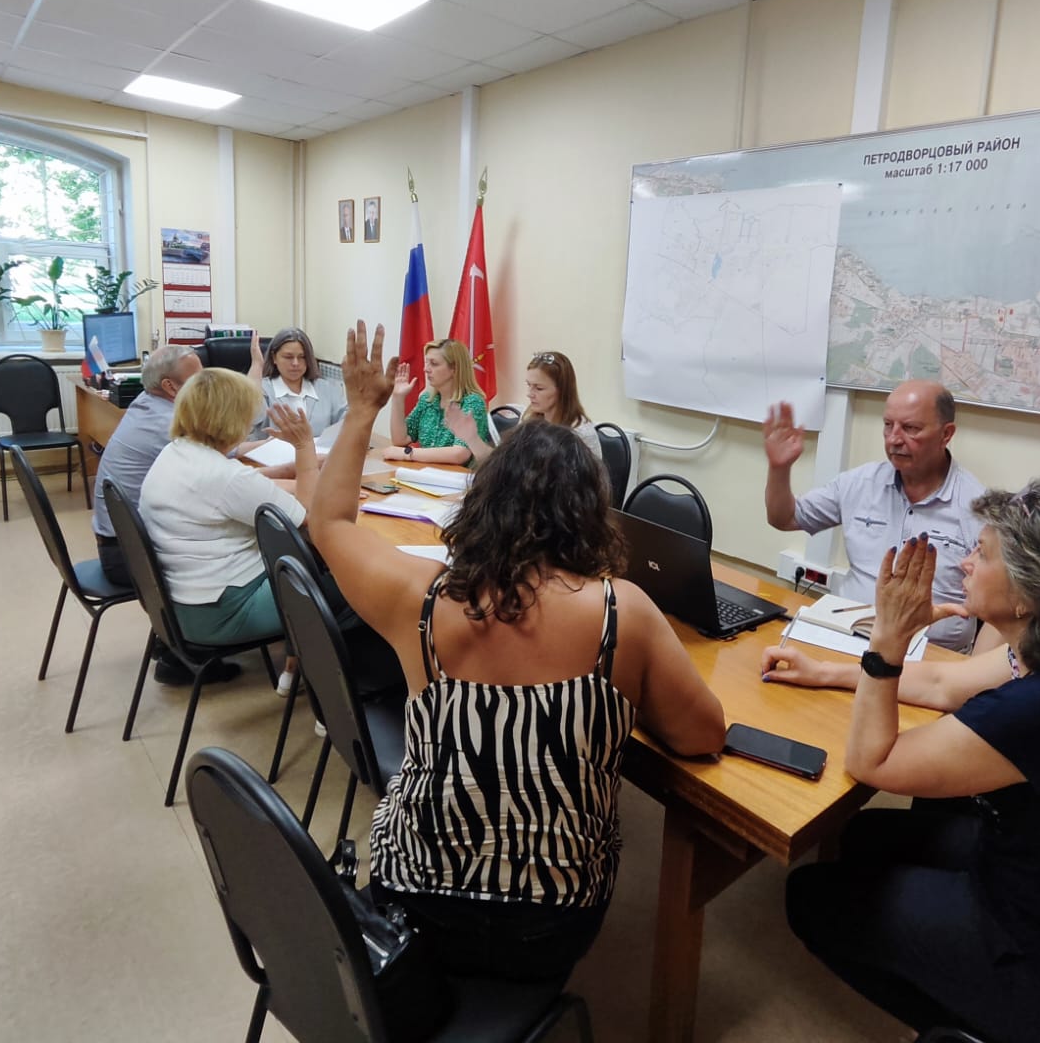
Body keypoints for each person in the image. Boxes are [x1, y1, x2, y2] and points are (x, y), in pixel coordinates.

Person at [309, 320, 727, 983]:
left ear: (484, 499)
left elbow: (328, 521)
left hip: (413, 899)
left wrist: (363, 410)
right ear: (591, 512)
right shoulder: (623, 613)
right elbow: (703, 735)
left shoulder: (421, 600)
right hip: (551, 924)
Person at [760, 474, 1040, 1043]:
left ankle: (978, 1025)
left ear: (1028, 594)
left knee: (808, 897)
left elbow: (872, 761)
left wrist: (887, 640)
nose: (965, 563)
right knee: (865, 835)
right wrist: (826, 672)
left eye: (983, 554)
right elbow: (945, 683)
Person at [764, 380, 985, 651]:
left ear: (946, 434)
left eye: (910, 428)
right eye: (888, 425)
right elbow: (784, 518)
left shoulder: (978, 509)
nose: (894, 439)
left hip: (933, 656)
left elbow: (1004, 606)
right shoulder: (860, 483)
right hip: (845, 638)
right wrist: (779, 469)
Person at [140, 368, 319, 692]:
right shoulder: (226, 477)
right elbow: (308, 514)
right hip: (221, 614)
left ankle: (300, 668)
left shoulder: (176, 453)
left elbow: (229, 489)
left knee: (300, 561)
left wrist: (284, 475)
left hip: (177, 604)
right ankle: (331, 686)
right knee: (342, 586)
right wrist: (304, 447)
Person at [90, 344, 201, 588]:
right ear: (170, 386)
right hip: (130, 558)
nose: (205, 385)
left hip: (119, 543)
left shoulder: (146, 402)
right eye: (197, 379)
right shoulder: (166, 422)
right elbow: (224, 458)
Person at [444, 350, 604, 464]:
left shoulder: (581, 432)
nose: (530, 394)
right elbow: (501, 464)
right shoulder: (529, 417)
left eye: (539, 388)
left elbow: (587, 488)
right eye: (529, 385)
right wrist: (472, 438)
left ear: (562, 390)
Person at [382, 337, 492, 466]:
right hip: (427, 472)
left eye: (434, 364)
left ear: (454, 368)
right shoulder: (428, 400)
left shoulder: (473, 402)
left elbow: (460, 454)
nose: (426, 369)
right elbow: (400, 439)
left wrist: (407, 453)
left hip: (459, 476)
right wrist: (397, 398)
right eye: (426, 363)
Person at [245, 326, 347, 437]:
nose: (295, 363)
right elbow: (251, 418)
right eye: (288, 357)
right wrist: (257, 365)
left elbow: (348, 422)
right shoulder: (262, 389)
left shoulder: (327, 388)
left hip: (320, 449)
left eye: (302, 357)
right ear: (274, 357)